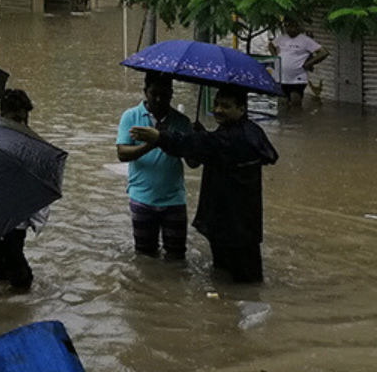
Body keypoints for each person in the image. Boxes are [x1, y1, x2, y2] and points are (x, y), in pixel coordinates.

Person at [131, 83, 279, 283]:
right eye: (216, 104)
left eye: (225, 106)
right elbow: (212, 144)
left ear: (242, 109)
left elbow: (203, 144)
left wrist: (160, 137)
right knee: (232, 278)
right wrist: (203, 134)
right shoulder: (250, 131)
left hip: (232, 223)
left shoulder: (235, 137)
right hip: (238, 222)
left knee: (239, 280)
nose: (218, 110)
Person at [116, 73, 193, 262]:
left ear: (172, 94)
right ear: (145, 92)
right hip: (142, 197)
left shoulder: (182, 122)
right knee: (145, 256)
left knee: (177, 256)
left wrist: (196, 140)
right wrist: (154, 141)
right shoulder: (131, 116)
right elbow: (122, 154)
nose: (159, 99)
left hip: (174, 199)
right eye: (154, 94)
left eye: (165, 95)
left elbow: (193, 162)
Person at [0, 88, 48, 289]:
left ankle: (11, 305)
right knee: (7, 270)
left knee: (12, 266)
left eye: (24, 120)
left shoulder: (30, 144)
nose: (22, 125)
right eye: (16, 119)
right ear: (2, 116)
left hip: (16, 218)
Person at [269, 18, 328, 108]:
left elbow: (323, 52)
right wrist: (275, 58)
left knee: (295, 99)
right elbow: (271, 45)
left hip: (298, 76)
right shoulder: (282, 38)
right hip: (282, 76)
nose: (289, 29)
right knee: (282, 102)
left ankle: (297, 121)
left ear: (298, 27)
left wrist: (309, 64)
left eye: (292, 27)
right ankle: (284, 121)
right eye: (287, 27)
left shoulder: (305, 40)